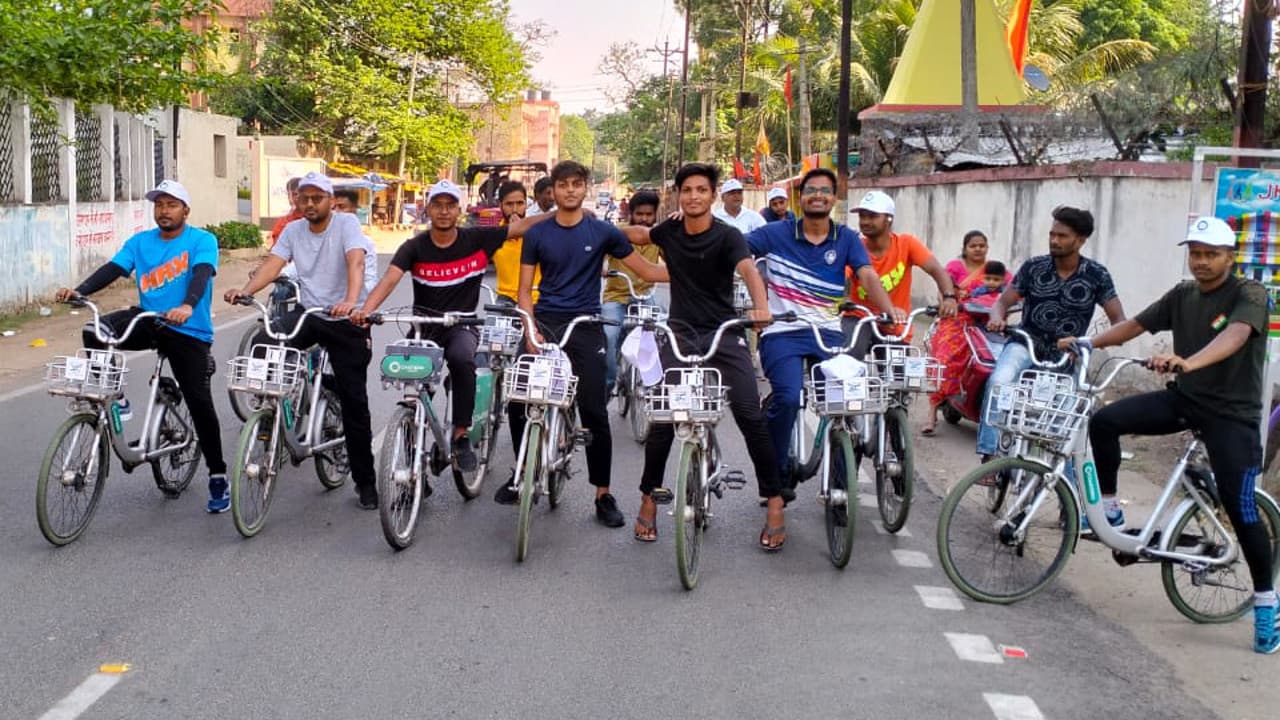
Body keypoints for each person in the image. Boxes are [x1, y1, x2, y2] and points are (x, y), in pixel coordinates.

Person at [1056, 216, 1279, 654]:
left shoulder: (1250, 294)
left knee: (1242, 506)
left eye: (1210, 254)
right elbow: (1137, 324)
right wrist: (1088, 343)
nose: (1200, 262)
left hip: (1232, 416)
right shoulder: (1184, 294)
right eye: (1195, 253)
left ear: (1229, 257)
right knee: (1106, 422)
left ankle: (1267, 602)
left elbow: (1235, 336)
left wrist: (1188, 362)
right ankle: (1112, 513)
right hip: (1186, 401)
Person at [618, 163, 786, 549]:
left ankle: (774, 500)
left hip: (724, 334)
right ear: (677, 195)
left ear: (712, 196)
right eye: (686, 190)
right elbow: (641, 237)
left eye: (700, 190)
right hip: (680, 333)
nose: (693, 196)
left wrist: (760, 310)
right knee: (663, 416)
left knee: (749, 413)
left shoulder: (728, 237)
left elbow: (748, 270)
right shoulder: (669, 230)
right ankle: (649, 498)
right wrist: (599, 234)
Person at [497, 160, 667, 528]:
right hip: (546, 321)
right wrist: (530, 331)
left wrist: (703, 270)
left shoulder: (603, 231)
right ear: (553, 191)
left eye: (577, 184)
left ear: (585, 188)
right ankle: (522, 470)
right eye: (563, 185)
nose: (570, 190)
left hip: (586, 325)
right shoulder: (538, 234)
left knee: (593, 410)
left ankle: (602, 494)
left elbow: (648, 270)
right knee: (518, 398)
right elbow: (525, 291)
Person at [351, 180, 551, 480]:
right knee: (410, 391)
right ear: (427, 209)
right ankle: (411, 457)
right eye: (437, 205)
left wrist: (563, 213)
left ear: (459, 209)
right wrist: (366, 311)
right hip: (425, 328)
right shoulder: (414, 246)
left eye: (450, 205)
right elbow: (389, 280)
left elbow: (523, 227)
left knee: (462, 359)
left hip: (463, 324)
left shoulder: (479, 238)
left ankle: (460, 434)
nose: (443, 212)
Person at [56, 180, 229, 512]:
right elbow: (114, 269)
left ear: (185, 211)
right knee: (96, 331)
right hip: (149, 319)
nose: (164, 211)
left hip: (187, 328)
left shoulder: (201, 240)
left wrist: (189, 305)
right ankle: (116, 398)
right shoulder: (140, 242)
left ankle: (218, 475)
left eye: (171, 204)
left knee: (198, 402)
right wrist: (80, 292)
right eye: (159, 205)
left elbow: (202, 274)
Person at [747, 168, 905, 505]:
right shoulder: (773, 233)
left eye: (825, 190)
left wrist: (890, 309)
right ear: (799, 197)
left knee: (846, 401)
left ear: (834, 199)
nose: (818, 195)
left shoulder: (846, 238)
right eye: (811, 190)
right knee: (788, 397)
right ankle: (775, 477)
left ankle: (838, 486)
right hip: (782, 332)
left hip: (829, 334)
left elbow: (866, 275)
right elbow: (736, 252)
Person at [224, 171, 381, 510]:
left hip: (343, 318)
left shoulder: (346, 225)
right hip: (310, 314)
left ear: (329, 200)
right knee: (265, 340)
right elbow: (274, 264)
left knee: (355, 402)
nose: (309, 204)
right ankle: (269, 411)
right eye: (304, 198)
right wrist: (246, 291)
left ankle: (365, 481)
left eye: (316, 198)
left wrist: (352, 301)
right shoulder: (294, 230)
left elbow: (355, 261)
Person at [979, 206, 1126, 466]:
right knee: (1000, 382)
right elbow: (1001, 303)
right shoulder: (1034, 267)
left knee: (1066, 420)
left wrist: (1088, 344)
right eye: (1052, 234)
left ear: (1080, 240)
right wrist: (996, 318)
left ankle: (1063, 492)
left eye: (1062, 236)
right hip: (1026, 344)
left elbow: (1120, 322)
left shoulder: (1097, 275)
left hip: (1068, 356)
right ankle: (991, 457)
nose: (1054, 240)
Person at [844, 190, 958, 357]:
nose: (865, 221)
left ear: (889, 219)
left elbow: (936, 270)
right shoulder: (855, 247)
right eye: (862, 216)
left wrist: (949, 297)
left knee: (898, 379)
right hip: (860, 316)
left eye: (872, 216)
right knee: (849, 361)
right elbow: (843, 279)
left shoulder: (906, 244)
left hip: (896, 321)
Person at [923, 230, 1010, 435]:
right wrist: (946, 303)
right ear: (965, 248)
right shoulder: (955, 267)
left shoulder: (994, 269)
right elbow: (943, 289)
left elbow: (1014, 288)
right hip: (957, 320)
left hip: (989, 323)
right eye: (973, 245)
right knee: (944, 358)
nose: (978, 249)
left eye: (982, 245)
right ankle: (932, 413)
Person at [602, 189, 662, 392]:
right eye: (639, 214)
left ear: (655, 215)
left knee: (660, 335)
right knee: (609, 337)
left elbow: (673, 258)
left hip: (645, 297)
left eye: (649, 215)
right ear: (630, 214)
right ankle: (609, 384)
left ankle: (653, 385)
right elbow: (599, 254)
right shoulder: (617, 233)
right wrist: (601, 267)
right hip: (616, 297)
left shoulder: (658, 236)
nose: (644, 219)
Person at [332, 188, 380, 294]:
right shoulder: (320, 239)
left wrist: (354, 297)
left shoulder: (365, 243)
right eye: (333, 207)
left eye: (341, 207)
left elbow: (370, 280)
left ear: (354, 210)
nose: (336, 212)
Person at [269, 177, 303, 246]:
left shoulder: (317, 219)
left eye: (295, 194)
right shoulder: (283, 222)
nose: (291, 199)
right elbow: (278, 249)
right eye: (289, 195)